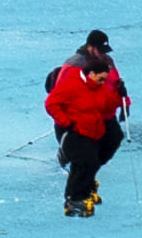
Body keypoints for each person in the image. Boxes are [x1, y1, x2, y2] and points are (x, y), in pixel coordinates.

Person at [43, 32, 127, 216]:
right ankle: (75, 196)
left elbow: (112, 87)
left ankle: (87, 183)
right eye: (100, 50)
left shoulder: (107, 64)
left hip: (101, 117)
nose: (103, 54)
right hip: (79, 123)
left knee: (108, 146)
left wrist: (122, 99)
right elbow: (54, 101)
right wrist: (66, 123)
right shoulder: (74, 68)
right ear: (90, 47)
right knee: (85, 160)